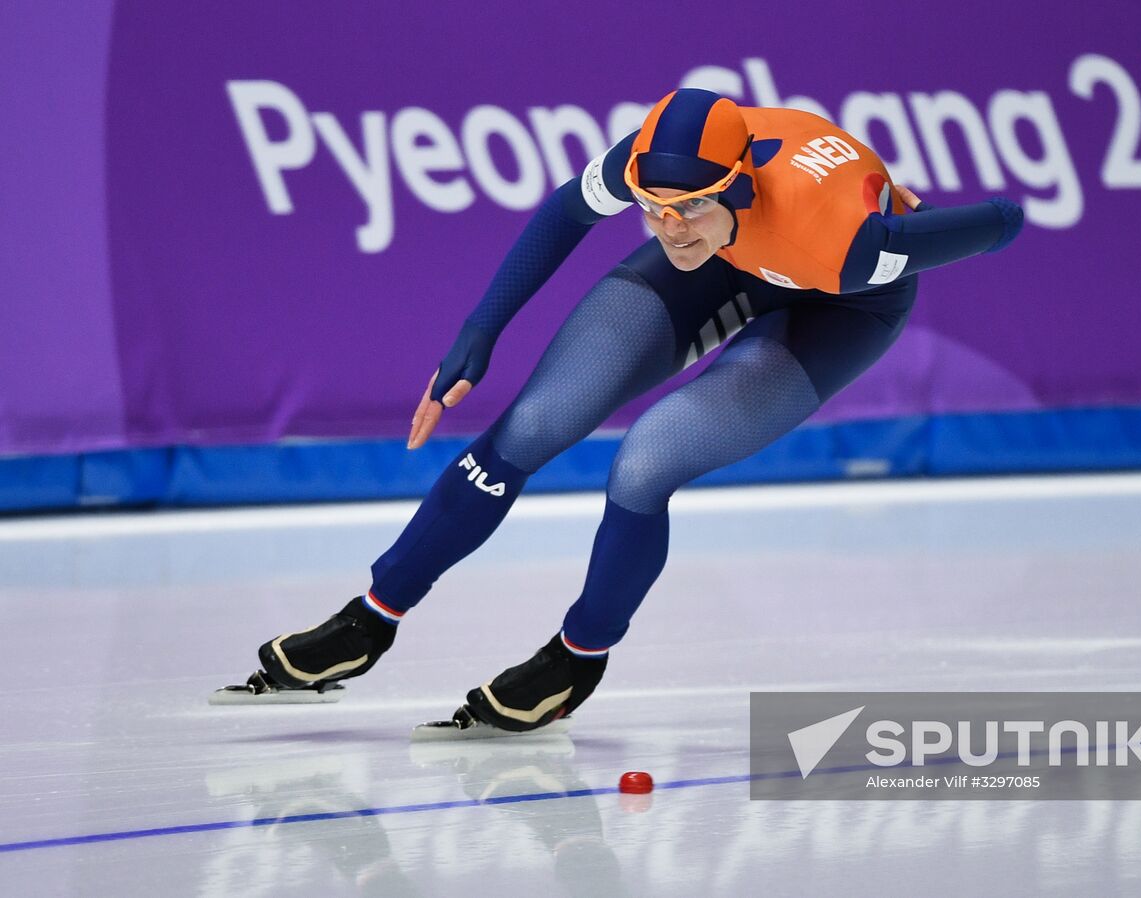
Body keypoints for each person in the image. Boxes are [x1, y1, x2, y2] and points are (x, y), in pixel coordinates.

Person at [244, 88, 1022, 730]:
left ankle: (574, 661)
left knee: (647, 460)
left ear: (738, 188)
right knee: (531, 426)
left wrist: (914, 221)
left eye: (685, 208)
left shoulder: (846, 241)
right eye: (651, 208)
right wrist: (480, 330)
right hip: (733, 256)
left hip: (836, 300)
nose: (666, 226)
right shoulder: (653, 171)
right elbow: (561, 216)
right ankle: (368, 620)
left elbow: (1002, 221)